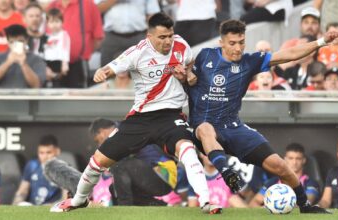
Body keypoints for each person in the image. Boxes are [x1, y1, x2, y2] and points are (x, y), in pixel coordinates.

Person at [50, 13, 222, 214]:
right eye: (162, 37)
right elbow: (112, 67)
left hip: (170, 116)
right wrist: (102, 72)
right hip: (140, 119)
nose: (168, 41)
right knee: (97, 162)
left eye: (170, 36)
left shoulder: (181, 46)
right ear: (149, 37)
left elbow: (191, 72)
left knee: (188, 151)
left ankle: (206, 202)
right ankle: (79, 200)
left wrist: (188, 77)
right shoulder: (137, 52)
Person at [186, 19, 338, 213]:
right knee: (205, 128)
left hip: (233, 127)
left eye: (241, 42)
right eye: (232, 43)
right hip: (204, 127)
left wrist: (321, 42)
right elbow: (185, 72)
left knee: (280, 166)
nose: (238, 48)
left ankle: (305, 206)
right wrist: (187, 75)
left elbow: (289, 54)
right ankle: (227, 173)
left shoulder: (250, 61)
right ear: (222, 42)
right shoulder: (205, 55)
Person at [47, 0, 104, 88]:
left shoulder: (88, 4)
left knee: (79, 97)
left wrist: (84, 52)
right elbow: (47, 35)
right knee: (55, 98)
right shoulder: (53, 5)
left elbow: (98, 36)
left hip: (79, 64)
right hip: (54, 66)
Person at [249, 143, 321, 207]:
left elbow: (305, 203)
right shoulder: (273, 182)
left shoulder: (311, 183)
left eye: (298, 159)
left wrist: (275, 207)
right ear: (285, 159)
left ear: (303, 160)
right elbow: (254, 202)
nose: (294, 162)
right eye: (290, 158)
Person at [12, 135, 63, 206]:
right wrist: (16, 205)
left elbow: (66, 197)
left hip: (53, 208)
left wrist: (51, 206)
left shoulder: (63, 169)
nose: (45, 157)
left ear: (57, 152)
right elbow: (22, 191)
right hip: (32, 207)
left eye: (49, 152)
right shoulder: (32, 165)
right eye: (41, 153)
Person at [43, 8, 70, 88]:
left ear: (62, 22)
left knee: (58, 84)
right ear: (47, 24)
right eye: (51, 22)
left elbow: (65, 49)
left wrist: (65, 64)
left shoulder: (64, 35)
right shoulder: (46, 37)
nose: (54, 25)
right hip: (47, 63)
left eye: (57, 21)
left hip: (59, 63)